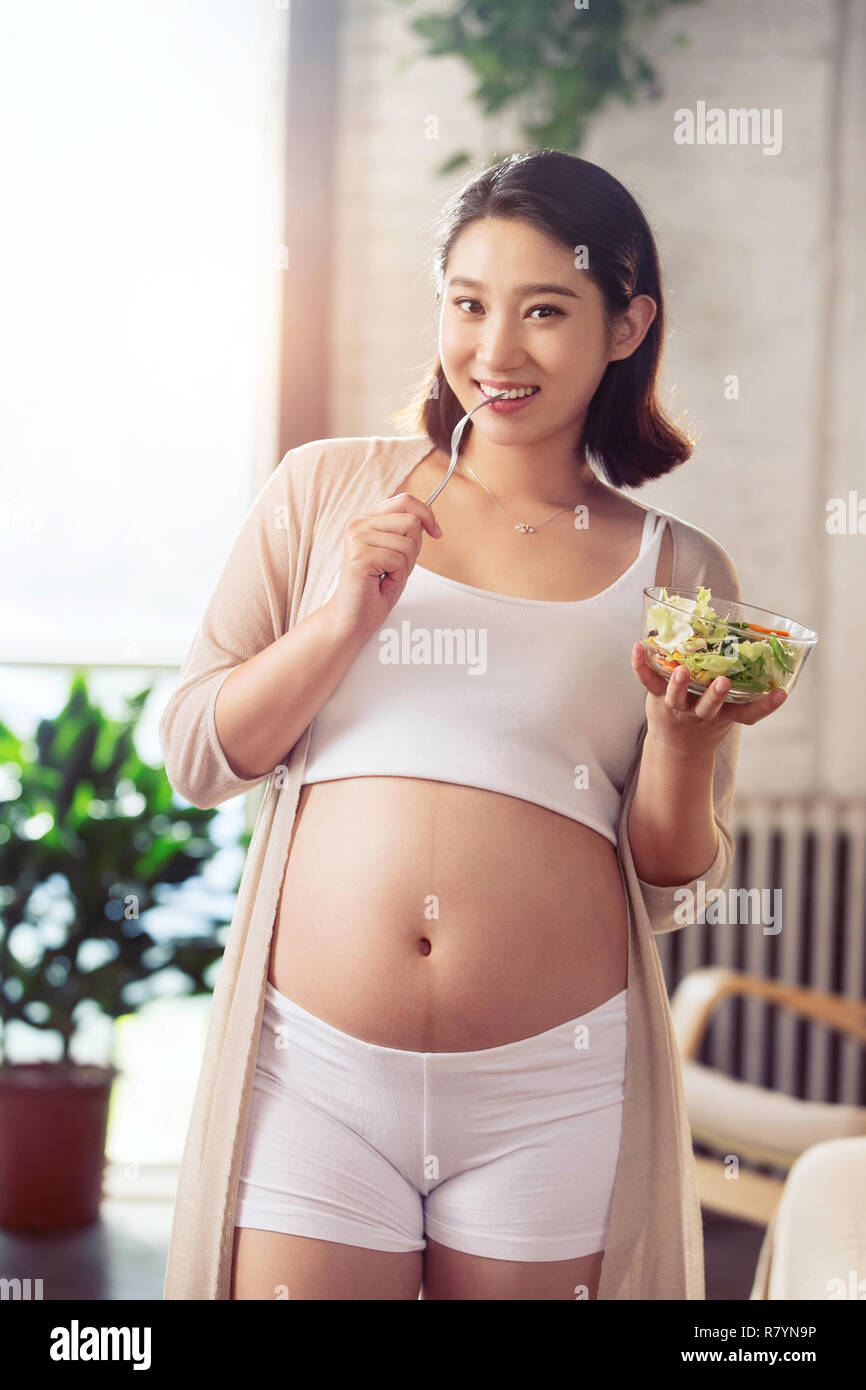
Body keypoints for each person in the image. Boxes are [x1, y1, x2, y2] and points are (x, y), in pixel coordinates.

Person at [163, 151, 787, 1301]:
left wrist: (685, 739)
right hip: (315, 1080)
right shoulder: (325, 494)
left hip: (550, 1093)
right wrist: (341, 616)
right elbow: (199, 754)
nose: (494, 353)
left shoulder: (679, 569)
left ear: (623, 324)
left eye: (544, 310)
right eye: (467, 304)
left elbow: (663, 885)